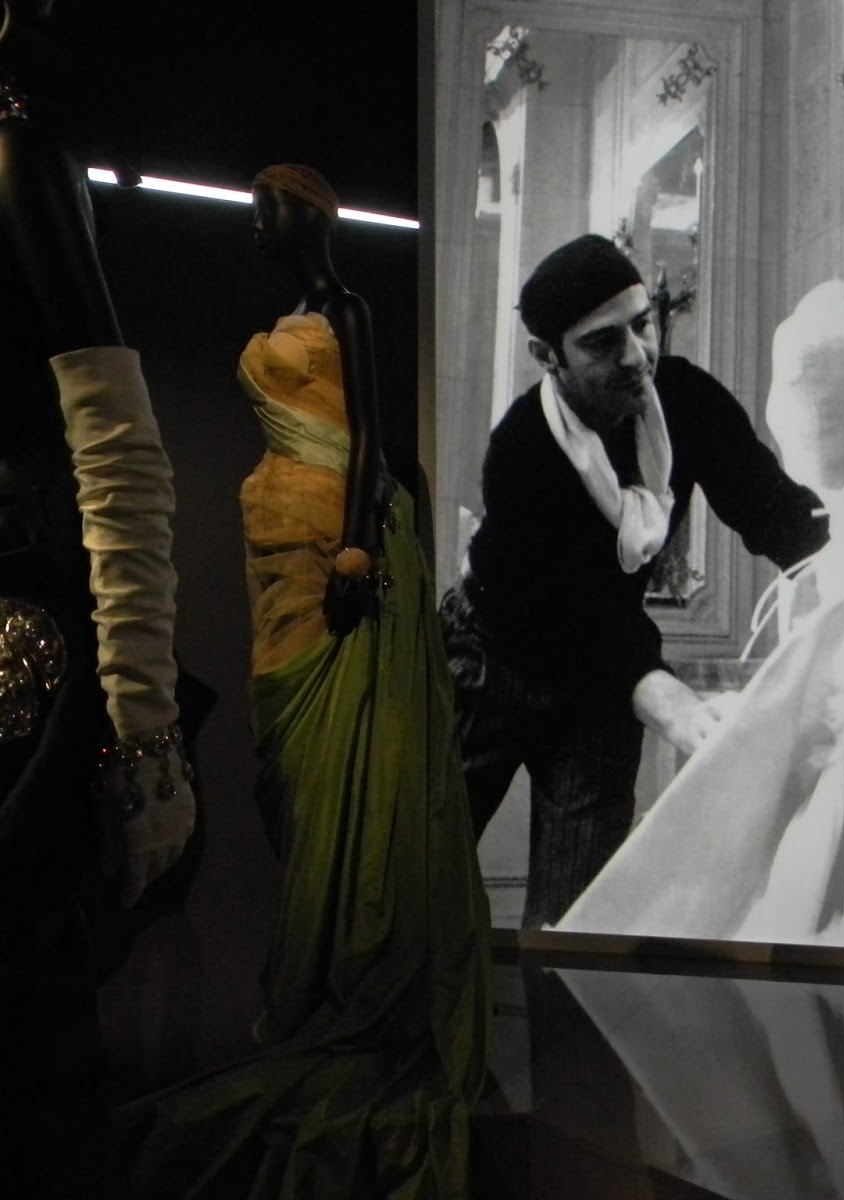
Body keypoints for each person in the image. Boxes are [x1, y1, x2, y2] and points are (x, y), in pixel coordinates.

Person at [118, 165, 491, 1198]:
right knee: (294, 760)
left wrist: (361, 543)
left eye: (269, 206)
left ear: (313, 214)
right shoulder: (292, 318)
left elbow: (369, 434)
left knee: (352, 762)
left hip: (336, 549)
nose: (255, 222)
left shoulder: (348, 309)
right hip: (279, 551)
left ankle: (358, 970)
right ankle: (319, 966)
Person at [440, 234, 830, 929]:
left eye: (642, 325)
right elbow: (568, 611)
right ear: (547, 356)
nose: (636, 356)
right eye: (602, 342)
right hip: (491, 658)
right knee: (417, 877)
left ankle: (554, 1006)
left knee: (574, 923)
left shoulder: (686, 398)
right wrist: (663, 695)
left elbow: (769, 507)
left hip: (599, 681)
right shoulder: (520, 450)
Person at [0, 1, 193, 1191]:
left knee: (27, 1030)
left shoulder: (17, 150)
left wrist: (144, 730)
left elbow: (117, 448)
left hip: (23, 650)